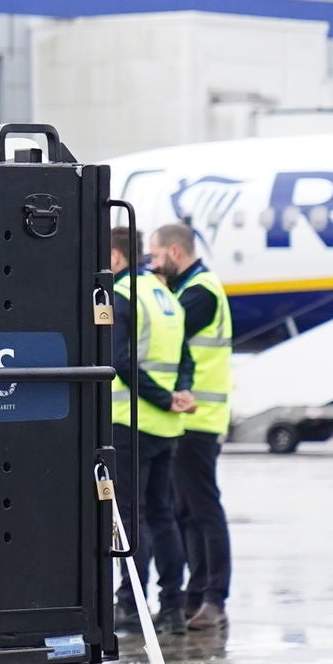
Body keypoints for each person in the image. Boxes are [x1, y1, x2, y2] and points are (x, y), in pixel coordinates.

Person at [107, 226, 193, 628]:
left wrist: (161, 397)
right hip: (168, 428)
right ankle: (173, 606)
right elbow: (186, 356)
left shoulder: (124, 295)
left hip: (133, 423)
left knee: (131, 517)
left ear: (116, 257)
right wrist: (181, 393)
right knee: (164, 516)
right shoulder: (167, 296)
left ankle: (131, 603)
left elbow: (120, 362)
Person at [154, 220, 235, 634]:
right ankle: (196, 593)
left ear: (175, 253)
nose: (152, 263)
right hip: (187, 416)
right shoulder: (189, 289)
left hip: (199, 418)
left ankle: (214, 598)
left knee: (204, 509)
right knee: (186, 510)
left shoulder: (199, 292)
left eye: (156, 255)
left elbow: (169, 331)